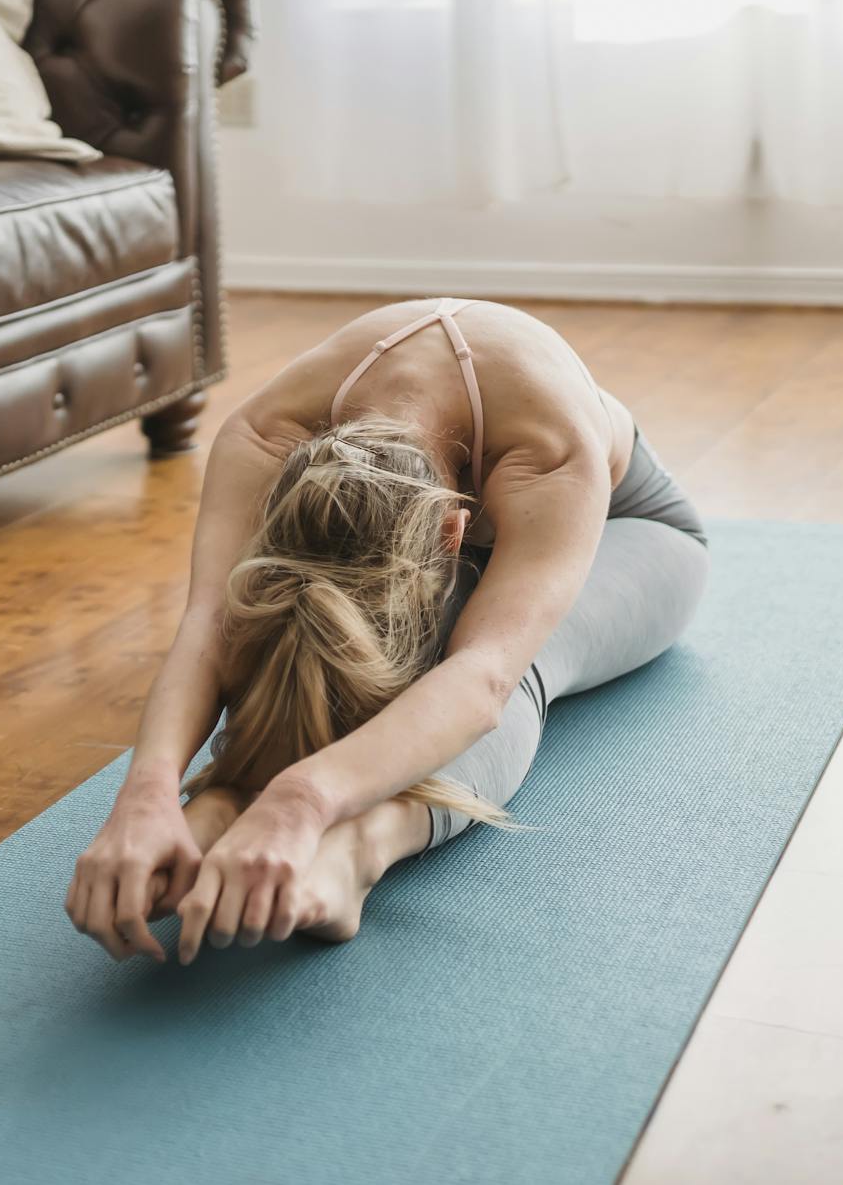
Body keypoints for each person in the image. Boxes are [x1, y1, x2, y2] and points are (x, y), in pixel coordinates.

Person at [65, 297, 708, 964]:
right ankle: (228, 800)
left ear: (452, 536)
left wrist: (302, 803)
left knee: (508, 659)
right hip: (425, 522)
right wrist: (145, 793)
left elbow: (484, 675)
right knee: (288, 619)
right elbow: (209, 624)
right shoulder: (265, 434)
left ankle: (364, 847)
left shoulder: (548, 449)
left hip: (632, 533)